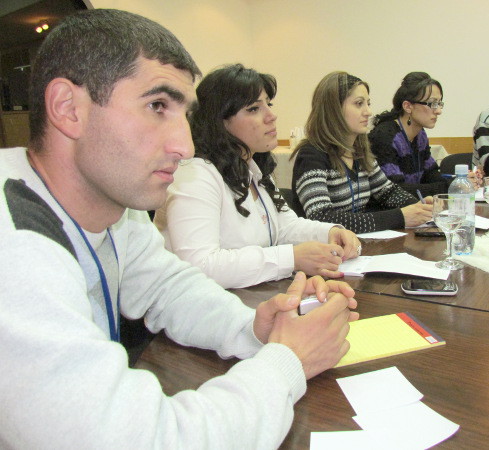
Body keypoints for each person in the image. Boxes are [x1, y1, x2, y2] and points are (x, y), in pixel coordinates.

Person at [0, 9, 358, 449]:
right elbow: (147, 440)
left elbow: (169, 287)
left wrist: (254, 329)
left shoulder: (116, 207)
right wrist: (287, 362)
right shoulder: (13, 246)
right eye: (157, 106)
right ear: (68, 108)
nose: (185, 146)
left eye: (184, 114)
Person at [154, 64, 361, 289]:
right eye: (254, 108)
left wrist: (330, 232)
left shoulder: (252, 169)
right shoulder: (195, 175)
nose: (272, 116)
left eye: (268, 105)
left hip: (248, 296)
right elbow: (201, 265)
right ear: (219, 121)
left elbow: (285, 227)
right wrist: (291, 258)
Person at [291, 71, 432, 234]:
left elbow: (388, 192)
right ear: (334, 109)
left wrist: (418, 208)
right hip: (323, 247)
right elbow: (321, 218)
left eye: (368, 103)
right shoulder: (311, 155)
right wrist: (401, 217)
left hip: (357, 245)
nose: (368, 112)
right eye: (359, 104)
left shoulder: (359, 152)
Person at [369, 72, 450, 197]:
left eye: (439, 103)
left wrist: (457, 182)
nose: (438, 111)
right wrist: (446, 187)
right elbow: (395, 191)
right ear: (408, 106)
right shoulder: (385, 136)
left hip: (413, 205)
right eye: (432, 104)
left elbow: (430, 174)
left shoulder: (420, 135)